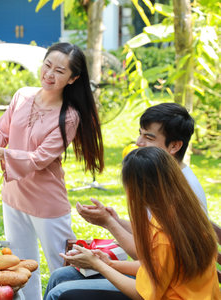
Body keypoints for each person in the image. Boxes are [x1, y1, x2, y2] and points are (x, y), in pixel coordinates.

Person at [44, 102, 211, 298]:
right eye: (140, 133)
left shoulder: (176, 202)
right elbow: (154, 257)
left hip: (170, 292)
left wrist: (101, 253)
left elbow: (147, 274)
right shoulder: (166, 185)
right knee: (60, 277)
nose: (138, 142)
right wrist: (108, 259)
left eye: (148, 137)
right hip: (162, 281)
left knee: (60, 292)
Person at [0, 42, 104, 300]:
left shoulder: (69, 116)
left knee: (64, 267)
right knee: (22, 267)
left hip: (47, 202)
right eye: (47, 65)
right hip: (13, 195)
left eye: (59, 71)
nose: (49, 74)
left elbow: (40, 159)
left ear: (73, 78)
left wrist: (1, 153)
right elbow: (1, 133)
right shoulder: (22, 95)